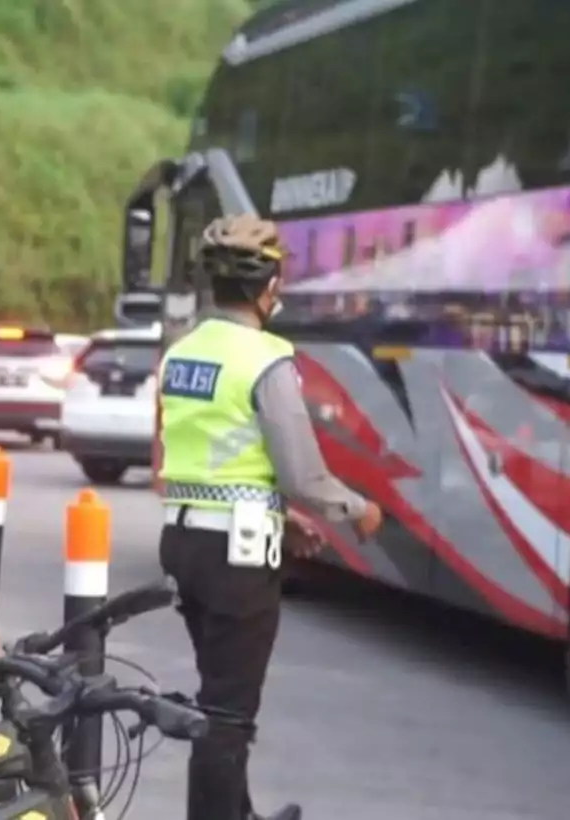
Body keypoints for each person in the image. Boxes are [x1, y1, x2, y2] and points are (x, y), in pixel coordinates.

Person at [156, 214, 383, 820]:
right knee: (227, 713)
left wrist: (278, 520)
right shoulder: (265, 359)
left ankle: (240, 813)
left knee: (219, 695)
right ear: (269, 286)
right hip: (235, 559)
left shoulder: (182, 353)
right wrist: (358, 510)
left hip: (182, 541)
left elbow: (208, 462)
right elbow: (303, 475)